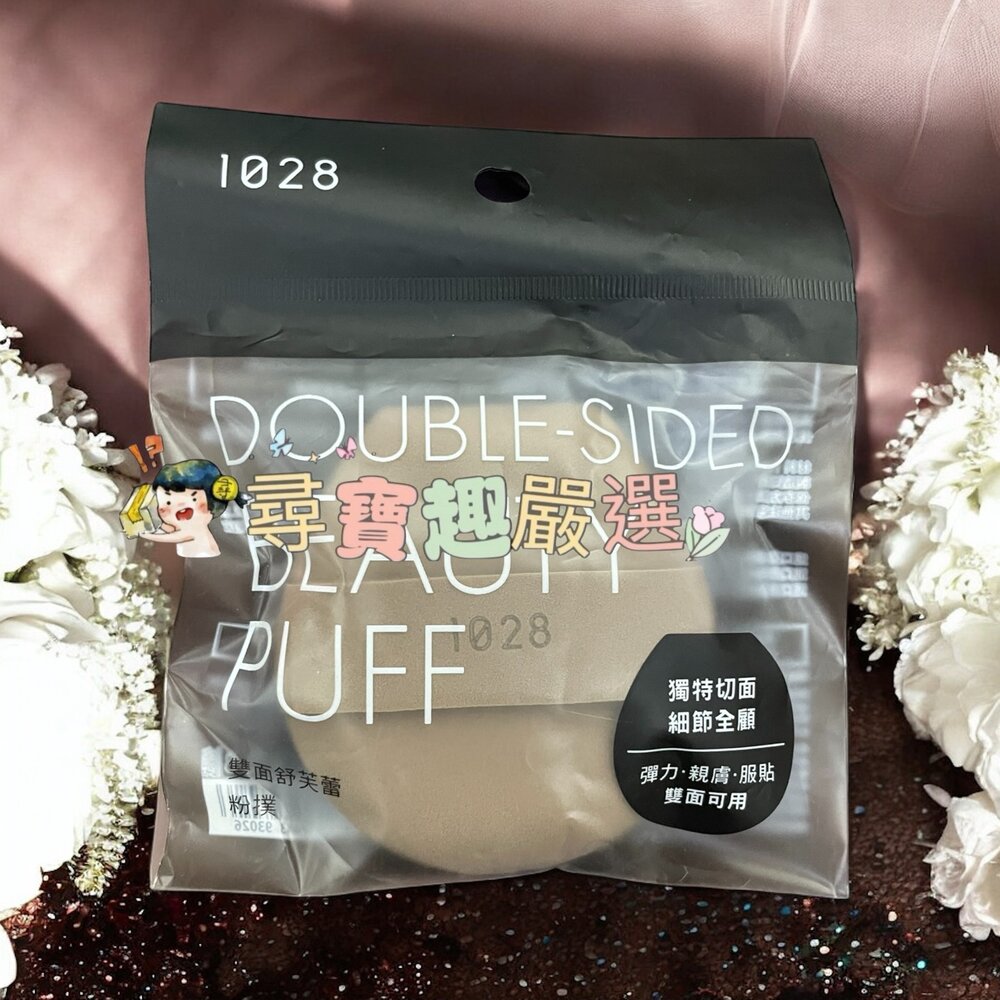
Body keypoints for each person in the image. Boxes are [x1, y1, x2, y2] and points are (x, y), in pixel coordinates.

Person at [138, 459, 247, 558]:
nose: (179, 506)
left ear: (212, 505)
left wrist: (144, 534)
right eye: (168, 502)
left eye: (194, 498)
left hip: (205, 553)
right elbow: (167, 529)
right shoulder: (177, 526)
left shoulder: (191, 530)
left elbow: (175, 537)